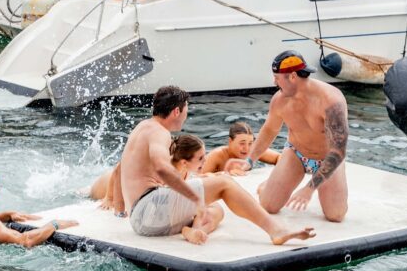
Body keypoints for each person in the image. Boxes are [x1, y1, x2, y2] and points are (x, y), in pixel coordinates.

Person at [119, 86, 315, 244]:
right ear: (177, 111)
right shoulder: (158, 132)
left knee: (216, 210)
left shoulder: (142, 128)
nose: (187, 115)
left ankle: (195, 230)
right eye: (186, 110)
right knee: (224, 184)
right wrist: (193, 197)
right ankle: (276, 231)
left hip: (141, 218)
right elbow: (162, 167)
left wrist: (118, 203)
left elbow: (123, 168)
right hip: (149, 210)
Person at [225, 51, 349, 222]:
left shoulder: (331, 101)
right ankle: (267, 187)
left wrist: (309, 189)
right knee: (269, 206)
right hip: (296, 154)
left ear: (292, 77)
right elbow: (269, 130)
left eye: (277, 77)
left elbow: (338, 151)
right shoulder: (280, 100)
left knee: (335, 215)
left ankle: (330, 187)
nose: (274, 82)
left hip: (329, 158)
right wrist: (250, 160)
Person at [203, 121, 279, 174]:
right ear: (230, 141)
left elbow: (280, 157)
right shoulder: (217, 155)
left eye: (250, 143)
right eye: (242, 143)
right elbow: (199, 178)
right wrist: (225, 173)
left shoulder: (254, 150)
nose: (246, 148)